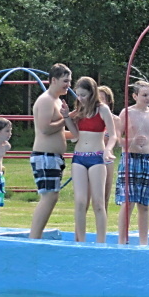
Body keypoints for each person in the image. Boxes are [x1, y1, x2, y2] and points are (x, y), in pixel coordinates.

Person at [63, 77, 117, 243]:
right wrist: (66, 117)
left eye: (84, 95)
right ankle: (81, 241)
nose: (80, 98)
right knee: (80, 202)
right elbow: (75, 134)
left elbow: (113, 135)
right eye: (78, 95)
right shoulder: (79, 110)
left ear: (92, 93)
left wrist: (108, 149)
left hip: (97, 158)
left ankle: (101, 242)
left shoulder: (102, 109)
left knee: (98, 203)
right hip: (79, 157)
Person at [116, 80, 149, 245]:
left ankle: (143, 243)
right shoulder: (127, 113)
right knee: (128, 202)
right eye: (144, 95)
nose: (148, 98)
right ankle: (122, 241)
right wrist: (131, 141)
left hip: (148, 160)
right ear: (135, 96)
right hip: (130, 158)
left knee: (144, 204)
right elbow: (116, 139)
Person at [30, 63, 73, 239]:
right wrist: (67, 118)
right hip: (45, 156)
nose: (68, 85)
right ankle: (34, 237)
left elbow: (59, 132)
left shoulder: (58, 101)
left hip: (53, 157)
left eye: (70, 81)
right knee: (49, 196)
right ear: (53, 80)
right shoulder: (46, 100)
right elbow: (45, 129)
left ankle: (36, 236)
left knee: (52, 196)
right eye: (65, 81)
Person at [97, 85, 121, 211]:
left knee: (105, 196)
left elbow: (118, 140)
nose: (98, 102)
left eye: (102, 99)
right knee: (91, 197)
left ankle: (103, 221)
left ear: (109, 101)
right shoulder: (89, 117)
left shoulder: (115, 120)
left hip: (107, 159)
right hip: (91, 156)